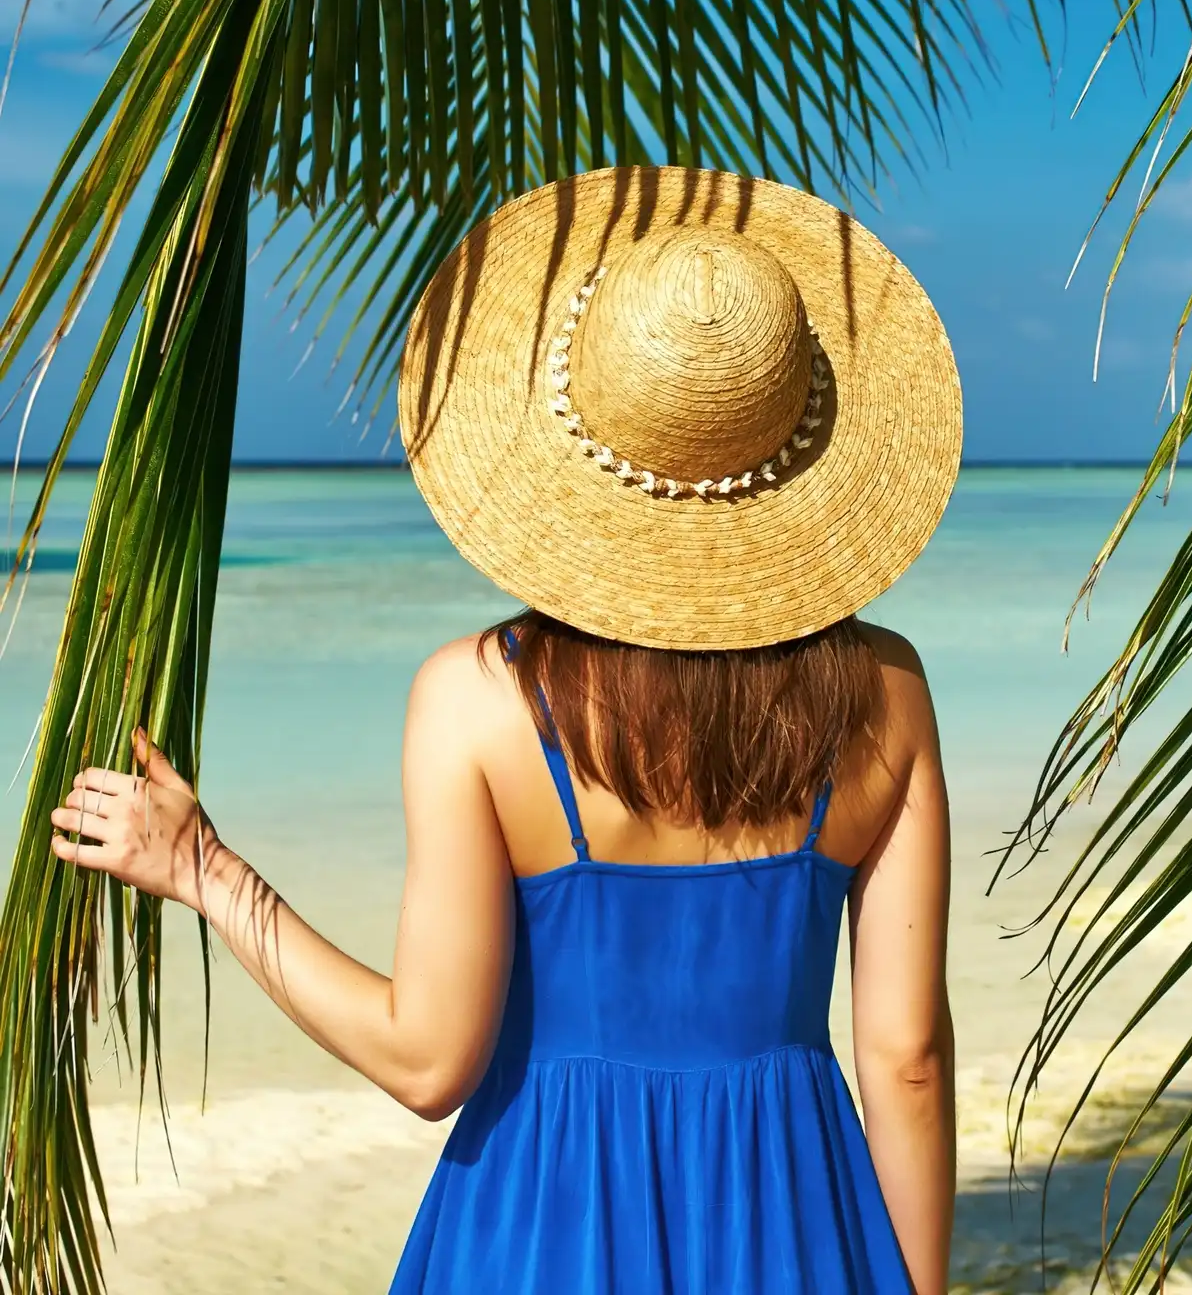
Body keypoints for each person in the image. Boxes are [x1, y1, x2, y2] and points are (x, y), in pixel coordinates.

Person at [50, 166, 964, 1293]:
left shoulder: (477, 701)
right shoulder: (886, 692)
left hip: (540, 1234)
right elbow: (907, 1062)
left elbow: (428, 1060)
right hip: (791, 1221)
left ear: (568, 453)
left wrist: (203, 869)